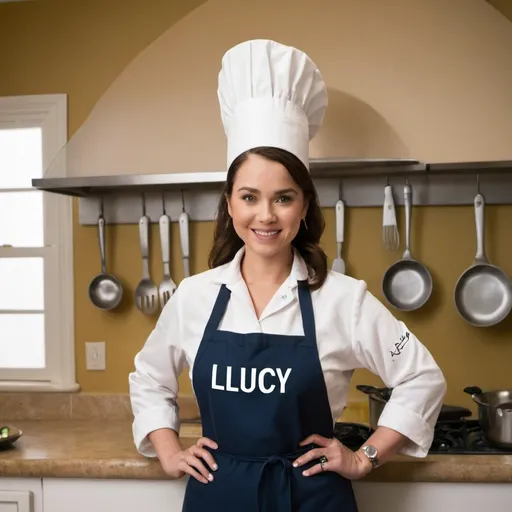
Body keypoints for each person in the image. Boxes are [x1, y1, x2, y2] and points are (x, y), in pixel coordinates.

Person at [129, 39, 447, 512]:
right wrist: (168, 448)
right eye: (249, 196)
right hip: (220, 495)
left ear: (303, 205)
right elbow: (150, 377)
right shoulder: (194, 297)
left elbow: (422, 377)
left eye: (283, 197)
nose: (265, 215)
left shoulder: (343, 299)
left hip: (313, 496)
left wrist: (365, 457)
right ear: (230, 204)